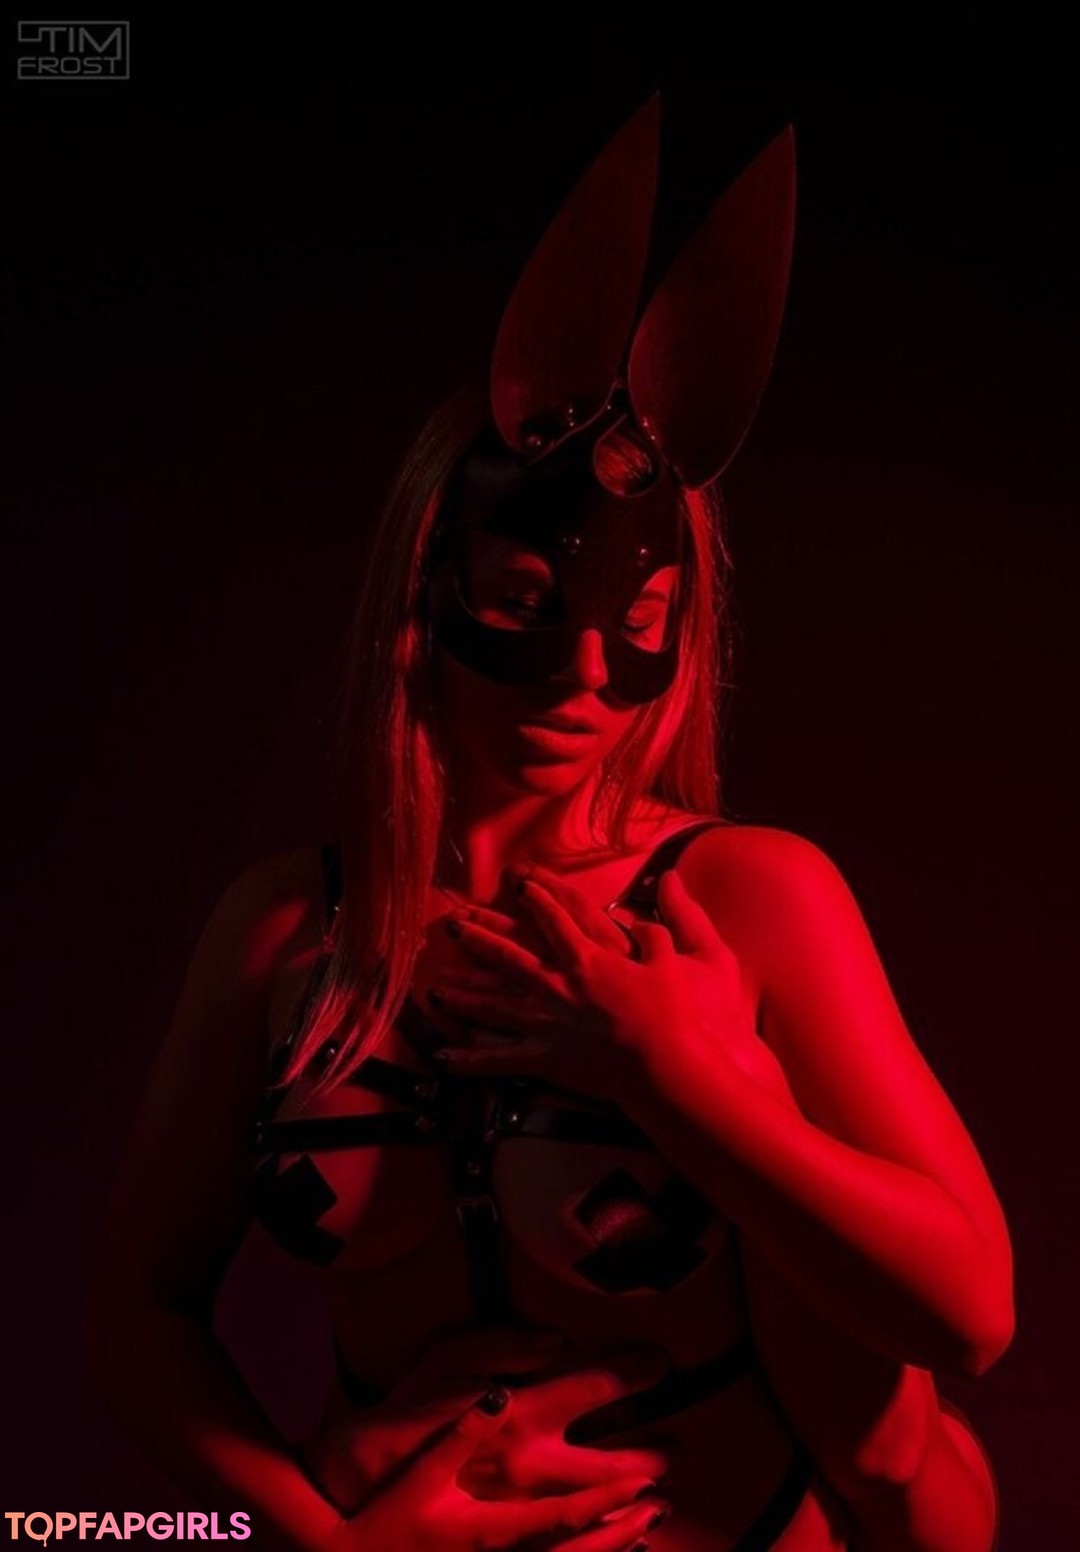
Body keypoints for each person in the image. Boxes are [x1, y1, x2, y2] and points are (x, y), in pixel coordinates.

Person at [83, 99, 1012, 1551]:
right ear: (424, 599)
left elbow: (968, 1314)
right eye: (523, 606)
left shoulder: (743, 900)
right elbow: (136, 1314)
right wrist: (319, 1546)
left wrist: (679, 1079)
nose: (583, 673)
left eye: (636, 621)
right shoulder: (283, 932)